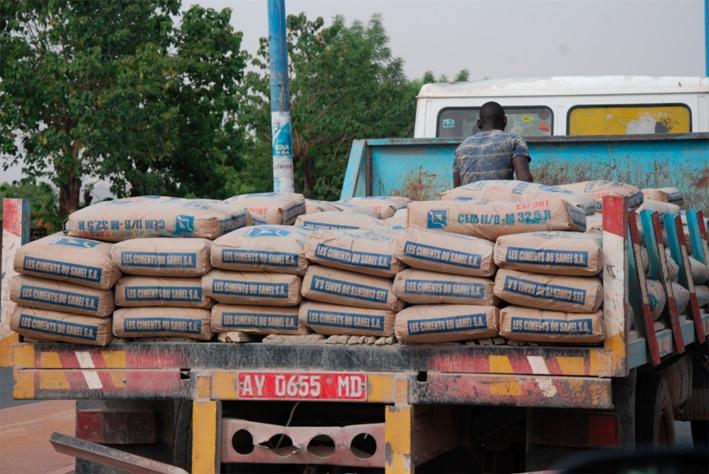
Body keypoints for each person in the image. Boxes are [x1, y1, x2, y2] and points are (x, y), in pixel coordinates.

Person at [453, 101, 533, 187]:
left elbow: (456, 189)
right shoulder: (513, 140)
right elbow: (525, 179)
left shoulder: (461, 147)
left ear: (479, 123)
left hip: (469, 199)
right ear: (505, 121)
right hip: (500, 199)